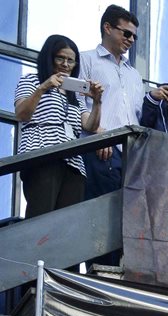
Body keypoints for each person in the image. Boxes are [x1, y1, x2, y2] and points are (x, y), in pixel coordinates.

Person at [14, 35, 102, 217]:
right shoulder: (31, 80)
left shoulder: (75, 93)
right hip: (43, 155)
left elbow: (89, 125)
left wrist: (97, 102)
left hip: (74, 163)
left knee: (66, 226)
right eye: (60, 58)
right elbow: (22, 114)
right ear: (50, 57)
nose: (65, 64)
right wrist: (43, 88)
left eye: (71, 61)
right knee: (41, 218)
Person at [78, 4, 142, 198]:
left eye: (134, 36)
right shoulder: (85, 60)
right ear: (107, 28)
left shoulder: (135, 75)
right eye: (126, 33)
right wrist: (98, 135)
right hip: (100, 149)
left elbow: (137, 115)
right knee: (99, 214)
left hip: (132, 156)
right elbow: (76, 104)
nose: (131, 40)